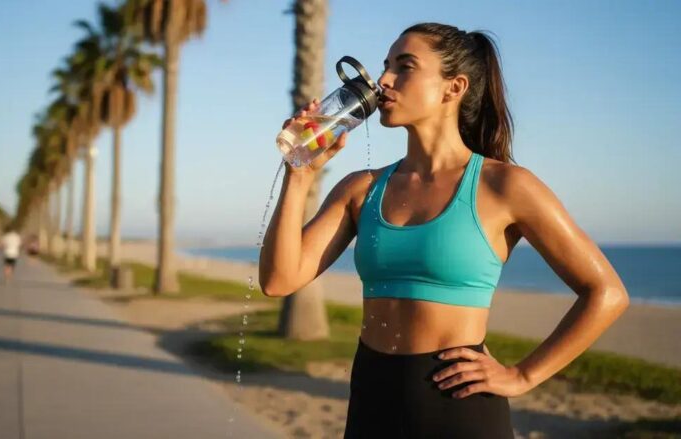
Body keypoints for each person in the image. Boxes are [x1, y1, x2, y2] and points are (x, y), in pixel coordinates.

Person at [259, 23, 630, 438]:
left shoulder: (505, 186)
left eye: (405, 66)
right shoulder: (360, 189)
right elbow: (278, 280)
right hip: (371, 400)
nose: (383, 80)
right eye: (386, 66)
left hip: (458, 407)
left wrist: (523, 375)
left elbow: (607, 293)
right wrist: (301, 174)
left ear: (453, 88)